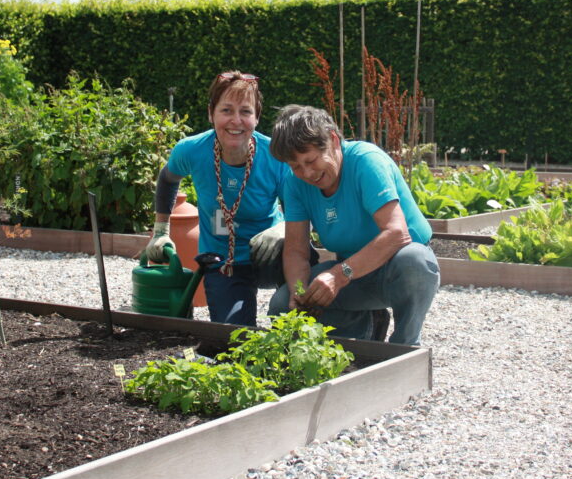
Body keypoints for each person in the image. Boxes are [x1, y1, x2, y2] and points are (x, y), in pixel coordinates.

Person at [267, 104, 439, 345]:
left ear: (333, 140)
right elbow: (296, 250)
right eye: (296, 166)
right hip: (355, 273)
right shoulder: (295, 184)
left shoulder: (365, 161)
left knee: (414, 262)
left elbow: (397, 234)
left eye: (311, 160)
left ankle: (405, 348)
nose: (306, 173)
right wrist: (298, 291)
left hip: (396, 269)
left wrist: (339, 275)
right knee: (281, 306)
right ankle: (363, 335)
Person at [143, 71, 288, 325]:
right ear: (211, 113)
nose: (236, 121)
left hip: (269, 254)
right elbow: (168, 178)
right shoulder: (192, 150)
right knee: (233, 339)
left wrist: (284, 228)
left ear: (257, 117)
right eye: (226, 110)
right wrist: (160, 230)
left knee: (301, 265)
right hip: (223, 260)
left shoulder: (276, 155)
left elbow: (300, 206)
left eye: (245, 111)